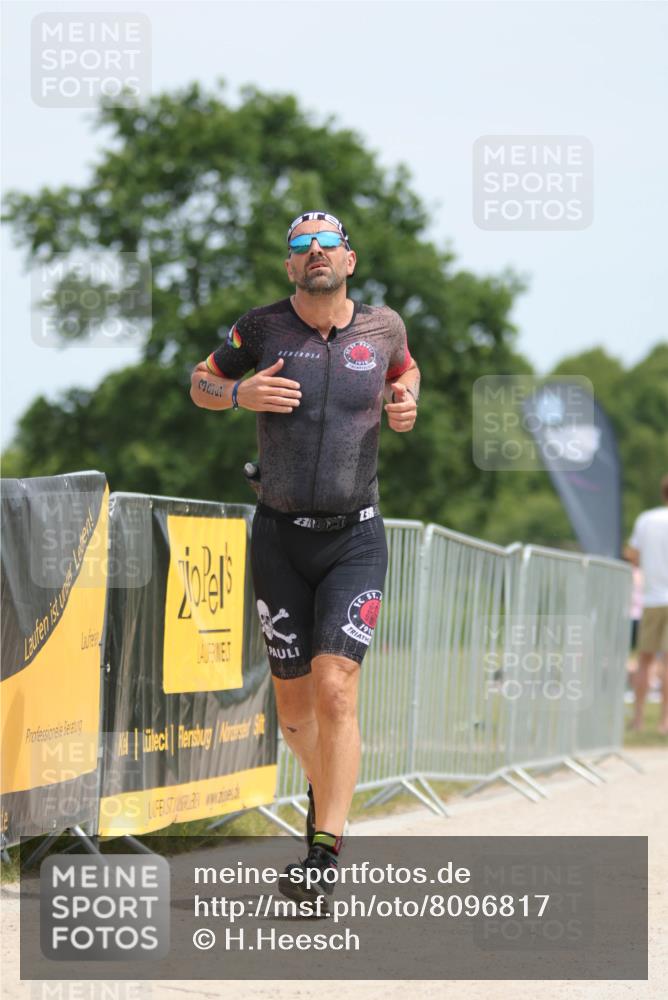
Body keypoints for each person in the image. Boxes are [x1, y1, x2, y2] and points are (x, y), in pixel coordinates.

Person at [190, 210, 420, 903]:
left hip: (356, 537)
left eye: (327, 242)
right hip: (280, 537)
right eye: (300, 244)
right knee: (294, 714)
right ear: (290, 265)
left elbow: (407, 372)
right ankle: (325, 794)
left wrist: (406, 400)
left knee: (336, 689)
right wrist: (238, 393)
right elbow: (200, 382)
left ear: (349, 259)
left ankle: (323, 853)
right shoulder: (261, 329)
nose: (315, 250)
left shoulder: (383, 328)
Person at [624, 474, 668, 735]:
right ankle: (664, 722)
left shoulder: (646, 519)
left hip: (651, 598)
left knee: (645, 659)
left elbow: (633, 555)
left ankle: (639, 719)